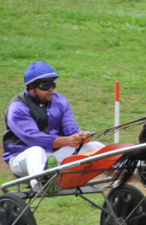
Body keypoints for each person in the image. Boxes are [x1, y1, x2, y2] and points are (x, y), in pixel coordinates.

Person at [3, 61, 105, 191]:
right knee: (36, 150)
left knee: (94, 146)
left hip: (53, 157)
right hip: (22, 159)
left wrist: (80, 135)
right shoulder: (18, 107)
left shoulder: (61, 101)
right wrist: (67, 141)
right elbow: (34, 139)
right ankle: (41, 184)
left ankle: (129, 172)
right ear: (32, 86)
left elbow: (71, 129)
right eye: (45, 84)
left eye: (52, 83)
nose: (50, 88)